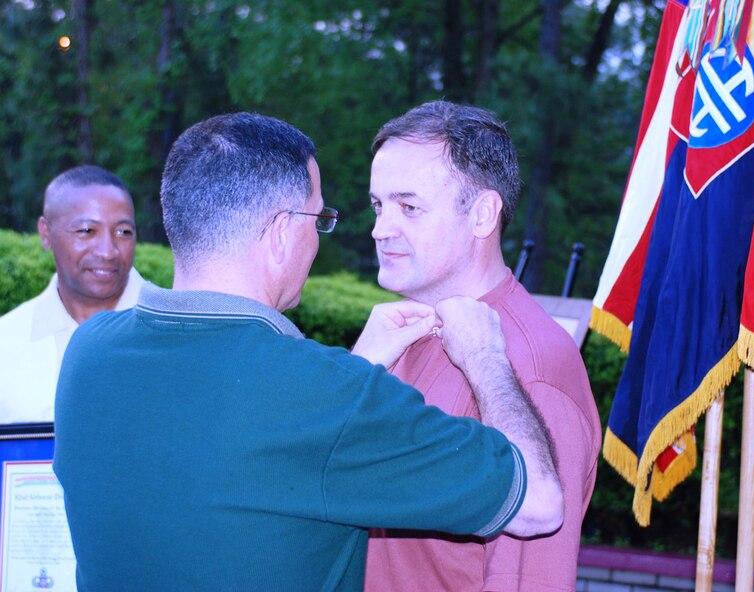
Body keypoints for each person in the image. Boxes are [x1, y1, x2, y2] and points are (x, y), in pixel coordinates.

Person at [52, 112, 563, 592]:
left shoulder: (88, 352)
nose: (377, 228)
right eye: (318, 221)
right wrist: (486, 357)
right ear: (280, 234)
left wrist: (352, 373)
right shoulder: (323, 393)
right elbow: (539, 504)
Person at [364, 101, 602, 592]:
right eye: (378, 205)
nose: (380, 229)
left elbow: (529, 581)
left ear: (483, 214)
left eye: (409, 207)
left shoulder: (529, 367)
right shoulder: (400, 334)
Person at [0, 165, 142, 424]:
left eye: (123, 232)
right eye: (87, 231)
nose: (108, 251)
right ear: (46, 233)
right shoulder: (6, 343)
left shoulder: (179, 330)